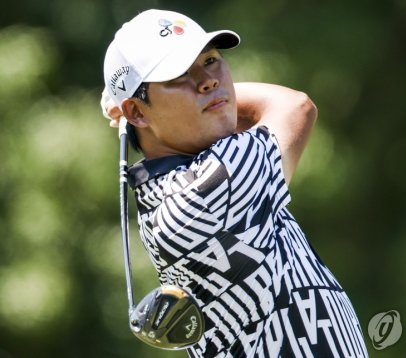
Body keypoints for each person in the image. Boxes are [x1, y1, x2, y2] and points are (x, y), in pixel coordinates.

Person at [102, 8, 368, 357]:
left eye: (211, 60)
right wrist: (217, 96)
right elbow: (295, 106)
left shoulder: (171, 187)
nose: (208, 80)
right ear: (136, 112)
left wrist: (158, 106)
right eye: (178, 74)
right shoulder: (211, 188)